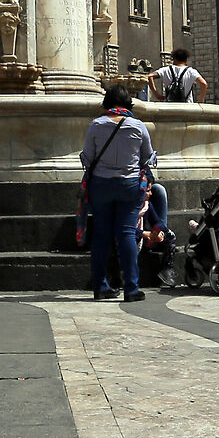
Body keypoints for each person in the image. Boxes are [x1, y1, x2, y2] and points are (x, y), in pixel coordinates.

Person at [80, 84, 157, 301]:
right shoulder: (138, 126)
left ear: (107, 102)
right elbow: (147, 157)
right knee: (126, 234)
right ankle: (131, 288)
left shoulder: (96, 125)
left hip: (101, 186)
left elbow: (87, 158)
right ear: (128, 103)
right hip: (129, 186)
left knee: (102, 235)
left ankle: (101, 286)